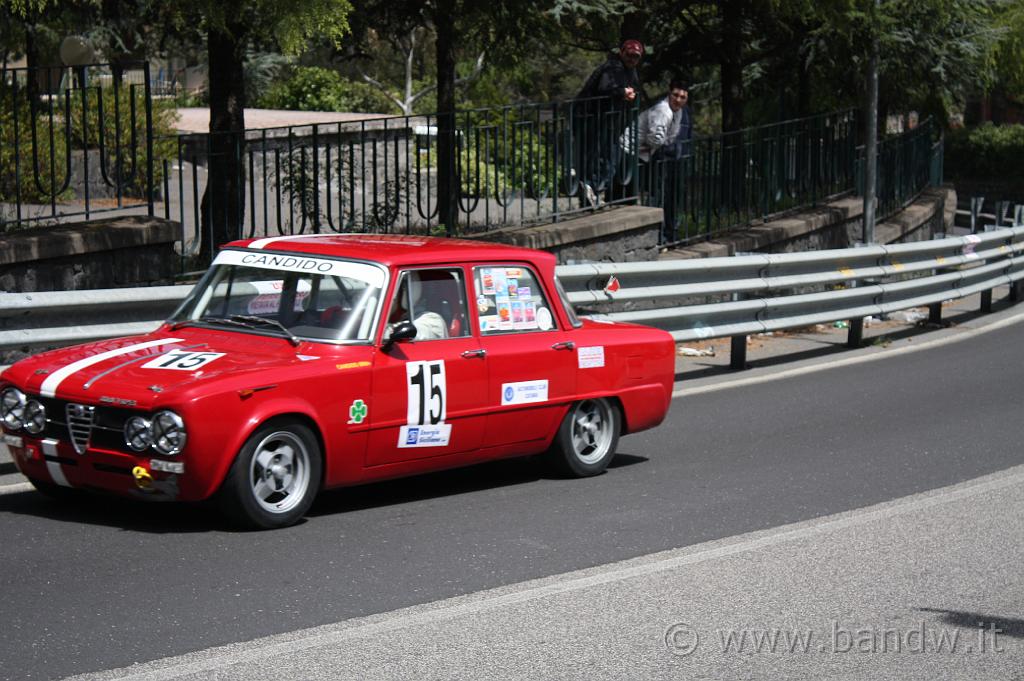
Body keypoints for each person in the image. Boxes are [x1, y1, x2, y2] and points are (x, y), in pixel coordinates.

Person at [573, 39, 645, 206]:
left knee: (610, 158)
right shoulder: (613, 67)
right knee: (599, 156)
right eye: (629, 55)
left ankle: (595, 191)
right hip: (593, 117)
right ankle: (591, 188)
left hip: (609, 121)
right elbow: (604, 88)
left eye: (636, 56)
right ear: (621, 53)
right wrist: (622, 92)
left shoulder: (630, 71)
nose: (632, 59)